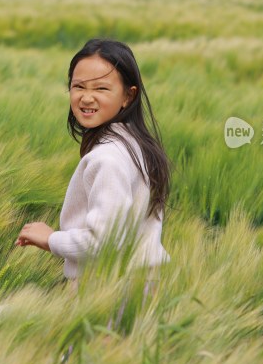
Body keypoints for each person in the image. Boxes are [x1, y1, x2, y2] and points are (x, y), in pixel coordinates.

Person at [15, 38, 173, 347]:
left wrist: (51, 239)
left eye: (101, 89)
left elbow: (106, 240)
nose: (87, 98)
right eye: (78, 87)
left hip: (105, 290)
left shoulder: (108, 159)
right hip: (140, 286)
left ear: (128, 96)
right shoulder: (135, 146)